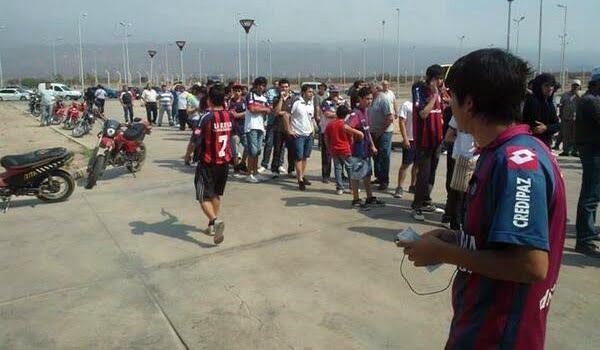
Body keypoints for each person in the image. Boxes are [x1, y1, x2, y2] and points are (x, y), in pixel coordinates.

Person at [398, 48, 567, 349]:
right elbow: (500, 241)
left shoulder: (517, 164)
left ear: (470, 102)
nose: (449, 103)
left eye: (452, 96)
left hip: (498, 334)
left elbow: (530, 265)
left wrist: (443, 253)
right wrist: (454, 239)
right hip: (479, 322)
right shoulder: (502, 152)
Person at [183, 84, 233, 245]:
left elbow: (195, 139)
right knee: (216, 194)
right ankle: (212, 227)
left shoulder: (207, 117)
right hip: (224, 162)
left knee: (203, 196)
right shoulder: (228, 115)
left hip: (208, 163)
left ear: (209, 100)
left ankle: (215, 220)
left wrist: (187, 155)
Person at [411, 65, 446, 221]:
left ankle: (426, 200)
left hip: (436, 139)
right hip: (424, 140)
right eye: (436, 78)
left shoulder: (440, 92)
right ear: (429, 78)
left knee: (432, 173)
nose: (439, 82)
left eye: (441, 79)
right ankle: (416, 206)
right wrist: (434, 95)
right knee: (423, 174)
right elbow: (424, 113)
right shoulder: (419, 90)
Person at [574, 67, 600, 257]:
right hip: (593, 151)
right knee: (590, 195)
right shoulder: (591, 101)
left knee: (594, 194)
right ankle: (584, 239)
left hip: (593, 149)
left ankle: (589, 231)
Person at [347, 87, 386, 208]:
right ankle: (356, 199)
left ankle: (369, 197)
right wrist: (357, 133)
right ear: (360, 99)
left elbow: (367, 131)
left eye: (371, 99)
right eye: (367, 99)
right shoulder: (356, 113)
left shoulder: (366, 112)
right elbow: (346, 126)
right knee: (356, 175)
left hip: (366, 149)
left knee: (368, 174)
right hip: (358, 150)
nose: (369, 101)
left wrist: (373, 145)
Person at [325, 105, 361, 195]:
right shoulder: (345, 125)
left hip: (334, 149)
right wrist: (350, 147)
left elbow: (326, 137)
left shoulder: (330, 124)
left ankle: (339, 188)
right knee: (349, 168)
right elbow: (351, 138)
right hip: (345, 149)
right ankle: (352, 187)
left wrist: (329, 147)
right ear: (346, 115)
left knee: (338, 168)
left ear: (337, 113)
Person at [287, 84, 316, 190]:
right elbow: (287, 115)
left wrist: (313, 129)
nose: (311, 94)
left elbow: (311, 118)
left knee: (305, 157)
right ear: (303, 92)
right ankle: (300, 179)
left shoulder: (310, 104)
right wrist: (289, 130)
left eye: (312, 92)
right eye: (309, 92)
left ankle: (302, 176)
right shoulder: (296, 102)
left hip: (308, 134)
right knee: (298, 157)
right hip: (298, 134)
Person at [244, 77, 272, 183]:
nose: (261, 87)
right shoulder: (250, 95)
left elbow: (269, 110)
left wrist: (260, 108)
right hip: (251, 127)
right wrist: (263, 109)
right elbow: (252, 109)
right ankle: (249, 173)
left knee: (257, 151)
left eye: (263, 85)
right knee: (253, 151)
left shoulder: (264, 98)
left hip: (261, 127)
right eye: (259, 85)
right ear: (255, 86)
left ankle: (255, 172)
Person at [521, 73, 560, 147]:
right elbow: (534, 126)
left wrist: (546, 128)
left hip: (545, 144)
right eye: (546, 85)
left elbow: (557, 125)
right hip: (532, 144)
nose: (550, 88)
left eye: (552, 85)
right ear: (539, 87)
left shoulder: (549, 103)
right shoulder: (533, 102)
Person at [369, 84, 395, 190]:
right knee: (375, 156)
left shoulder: (384, 100)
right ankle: (379, 177)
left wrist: (380, 131)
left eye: (370, 89)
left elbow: (390, 118)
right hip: (373, 132)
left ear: (376, 90)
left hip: (384, 132)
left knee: (384, 156)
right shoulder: (371, 100)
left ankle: (385, 180)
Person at [319, 85, 347, 183]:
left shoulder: (342, 101)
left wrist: (339, 107)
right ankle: (325, 175)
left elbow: (348, 111)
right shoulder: (326, 102)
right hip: (327, 131)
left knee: (341, 154)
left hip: (340, 131)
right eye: (333, 92)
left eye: (337, 92)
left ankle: (341, 174)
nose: (335, 94)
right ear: (330, 93)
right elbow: (327, 114)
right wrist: (340, 113)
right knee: (327, 154)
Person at [271, 79, 297, 176]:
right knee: (277, 150)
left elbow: (293, 113)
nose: (284, 89)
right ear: (279, 88)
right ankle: (275, 170)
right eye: (282, 87)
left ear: (289, 87)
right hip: (278, 128)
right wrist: (281, 99)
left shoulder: (294, 99)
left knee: (291, 150)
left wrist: (284, 113)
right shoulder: (275, 99)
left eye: (286, 87)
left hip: (290, 128)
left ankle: (291, 169)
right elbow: (276, 112)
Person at [394, 99, 417, 198]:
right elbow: (401, 121)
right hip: (410, 139)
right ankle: (399, 187)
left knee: (417, 165)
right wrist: (405, 138)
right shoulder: (407, 104)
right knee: (405, 165)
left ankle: (413, 185)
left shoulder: (423, 104)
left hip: (420, 140)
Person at [228, 83, 248, 178]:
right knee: (235, 151)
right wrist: (241, 114)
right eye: (235, 91)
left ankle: (243, 164)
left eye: (239, 91)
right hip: (233, 130)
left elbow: (248, 111)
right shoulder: (229, 102)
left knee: (248, 147)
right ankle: (236, 167)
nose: (237, 93)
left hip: (244, 128)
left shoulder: (245, 101)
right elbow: (231, 113)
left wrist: (239, 115)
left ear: (241, 92)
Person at [558, 79, 581, 156]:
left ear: (579, 86)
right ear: (571, 85)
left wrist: (578, 95)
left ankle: (575, 151)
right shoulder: (565, 95)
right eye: (574, 85)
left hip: (577, 120)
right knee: (566, 135)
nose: (575, 87)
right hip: (566, 118)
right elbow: (561, 105)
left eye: (577, 85)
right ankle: (565, 151)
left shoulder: (581, 95)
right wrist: (561, 115)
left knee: (576, 136)